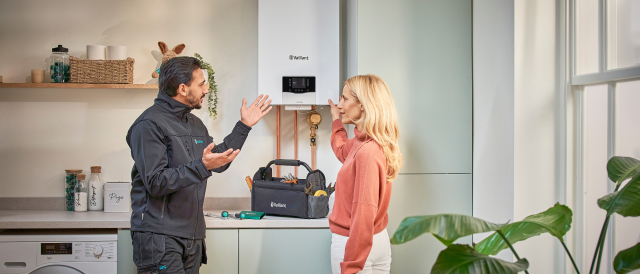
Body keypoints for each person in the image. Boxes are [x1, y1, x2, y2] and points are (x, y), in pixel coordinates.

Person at [126, 56, 271, 274]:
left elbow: (217, 162)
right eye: (201, 83)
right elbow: (155, 182)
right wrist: (202, 166)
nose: (207, 88)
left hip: (191, 238)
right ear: (183, 88)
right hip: (159, 238)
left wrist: (244, 127)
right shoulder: (149, 125)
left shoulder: (194, 124)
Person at [327, 74, 403, 274]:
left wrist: (351, 266)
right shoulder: (365, 142)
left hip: (355, 242)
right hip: (376, 239)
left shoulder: (367, 152)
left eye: (344, 98)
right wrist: (337, 120)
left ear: (362, 105)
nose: (340, 104)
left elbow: (363, 212)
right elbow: (342, 150)